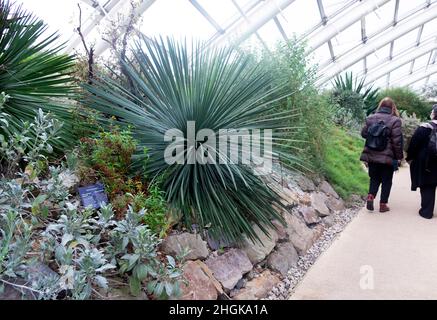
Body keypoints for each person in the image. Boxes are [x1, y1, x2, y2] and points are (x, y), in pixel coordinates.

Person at [360, 97, 403, 212]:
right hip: (387, 157)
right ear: (392, 107)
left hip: (372, 155)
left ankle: (370, 196)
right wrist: (399, 157)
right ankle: (383, 205)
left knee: (374, 178)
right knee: (387, 181)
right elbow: (397, 141)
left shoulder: (371, 118)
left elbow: (364, 134)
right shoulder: (395, 120)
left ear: (380, 106)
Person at [406, 104, 437, 219]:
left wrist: (410, 158)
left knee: (428, 186)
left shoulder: (425, 127)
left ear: (433, 114)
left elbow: (414, 144)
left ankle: (426, 212)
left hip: (427, 162)